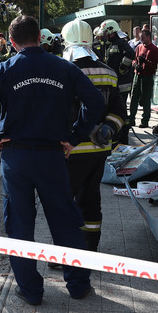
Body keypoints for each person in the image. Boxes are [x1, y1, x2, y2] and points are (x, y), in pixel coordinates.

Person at [0, 15, 101, 306]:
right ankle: (78, 285)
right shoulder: (64, 68)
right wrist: (75, 137)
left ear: (12, 43)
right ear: (40, 38)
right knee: (65, 221)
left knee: (19, 224)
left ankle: (30, 291)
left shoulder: (5, 69)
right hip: (52, 156)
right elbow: (96, 102)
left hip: (16, 158)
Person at [61, 19, 126, 256]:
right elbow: (120, 112)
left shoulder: (63, 72)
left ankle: (66, 253)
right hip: (98, 151)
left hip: (70, 151)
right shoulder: (108, 72)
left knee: (64, 203)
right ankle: (90, 251)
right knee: (91, 200)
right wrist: (109, 127)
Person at [99, 19, 136, 144]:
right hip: (115, 83)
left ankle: (123, 137)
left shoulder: (120, 42)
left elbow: (131, 54)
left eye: (105, 32)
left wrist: (122, 67)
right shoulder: (109, 44)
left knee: (121, 109)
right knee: (116, 109)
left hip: (122, 84)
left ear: (111, 31)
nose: (103, 35)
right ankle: (118, 135)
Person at [128, 28, 158, 128]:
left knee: (146, 99)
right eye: (140, 37)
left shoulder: (154, 49)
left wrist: (145, 61)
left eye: (143, 37)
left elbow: (155, 65)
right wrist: (135, 64)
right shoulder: (139, 47)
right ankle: (131, 118)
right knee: (134, 97)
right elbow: (134, 60)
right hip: (138, 75)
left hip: (147, 76)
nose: (141, 39)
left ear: (148, 37)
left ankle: (145, 121)